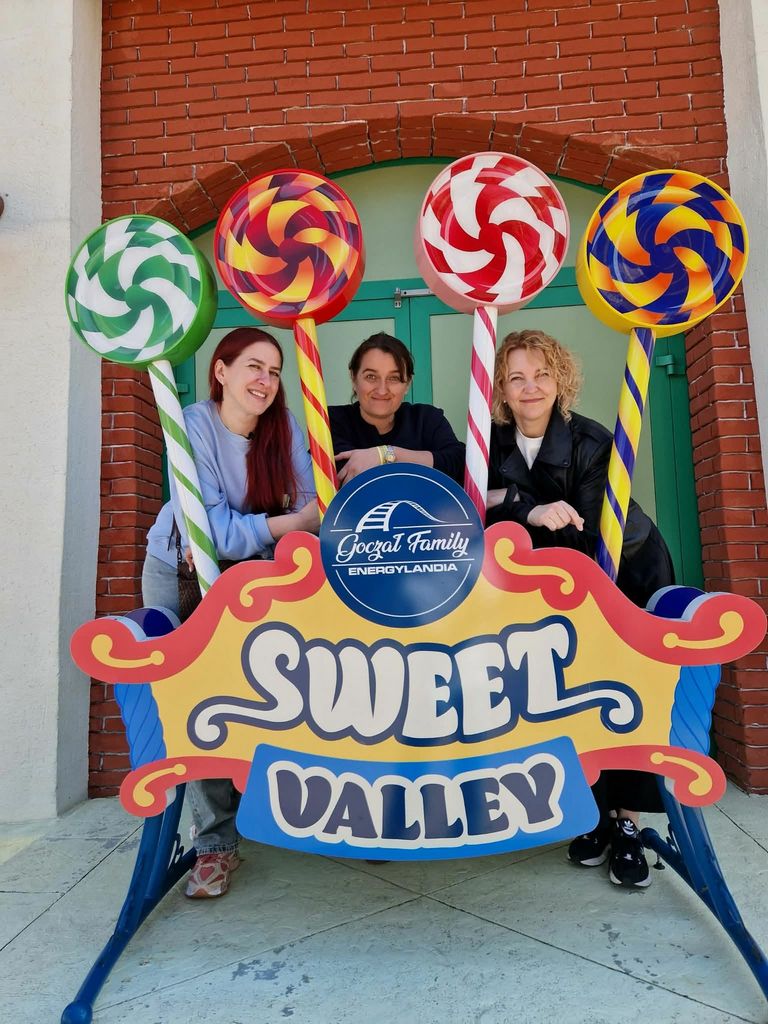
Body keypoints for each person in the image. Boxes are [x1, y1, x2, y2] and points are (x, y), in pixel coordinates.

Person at [486, 329, 674, 889]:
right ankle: (593, 817)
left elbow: (588, 531)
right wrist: (522, 504)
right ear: (501, 388)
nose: (530, 387)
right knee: (567, 701)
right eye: (517, 377)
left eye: (542, 374)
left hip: (622, 573)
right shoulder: (489, 442)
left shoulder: (590, 441)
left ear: (561, 379)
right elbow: (470, 504)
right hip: (554, 587)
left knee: (622, 696)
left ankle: (628, 821)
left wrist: (521, 510)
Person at [142, 326, 319, 898]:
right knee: (197, 700)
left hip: (255, 576)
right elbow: (210, 532)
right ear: (220, 371)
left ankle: (292, 810)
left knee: (277, 689)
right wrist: (288, 523)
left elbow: (314, 507)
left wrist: (288, 526)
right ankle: (215, 845)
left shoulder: (284, 427)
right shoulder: (192, 424)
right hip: (181, 572)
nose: (265, 381)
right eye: (253, 367)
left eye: (274, 371)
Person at [329, 332, 465, 484]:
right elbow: (343, 470)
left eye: (393, 378)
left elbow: (459, 463)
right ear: (354, 378)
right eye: (371, 377)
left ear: (407, 384)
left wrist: (386, 454)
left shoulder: (426, 419)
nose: (382, 390)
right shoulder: (330, 421)